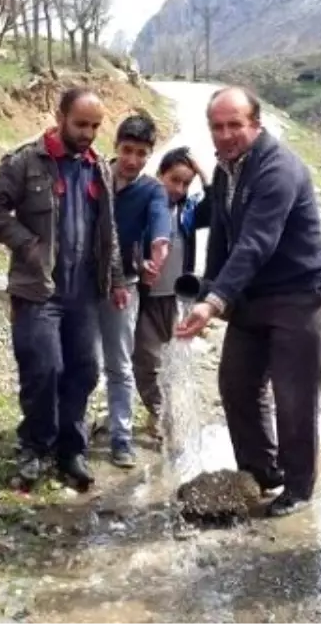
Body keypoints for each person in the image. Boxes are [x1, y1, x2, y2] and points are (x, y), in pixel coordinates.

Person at [175, 86, 321, 518]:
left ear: (256, 125)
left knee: (293, 393)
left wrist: (213, 303)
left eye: (235, 125)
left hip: (298, 291)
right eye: (217, 126)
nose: (226, 135)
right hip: (252, 293)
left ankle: (300, 487)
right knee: (237, 383)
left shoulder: (277, 169)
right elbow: (223, 238)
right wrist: (210, 288)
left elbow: (256, 243)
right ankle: (261, 471)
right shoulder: (227, 169)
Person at [0, 87, 127, 490]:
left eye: (95, 126)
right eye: (81, 124)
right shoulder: (27, 161)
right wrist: (26, 243)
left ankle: (70, 450)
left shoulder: (100, 168)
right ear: (59, 115)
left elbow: (107, 232)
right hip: (38, 290)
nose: (88, 133)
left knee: (84, 370)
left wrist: (115, 280)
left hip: (84, 293)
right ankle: (35, 448)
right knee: (43, 369)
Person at [98, 113, 171, 468]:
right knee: (78, 361)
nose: (132, 160)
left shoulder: (152, 189)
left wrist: (159, 243)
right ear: (116, 147)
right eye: (127, 150)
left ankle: (121, 438)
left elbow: (159, 218)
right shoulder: (94, 175)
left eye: (141, 153)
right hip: (82, 283)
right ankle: (69, 432)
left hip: (123, 286)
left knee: (119, 364)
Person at [133, 146, 211, 437]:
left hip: (175, 298)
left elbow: (214, 208)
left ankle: (167, 416)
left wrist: (203, 173)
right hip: (146, 297)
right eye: (174, 180)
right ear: (159, 175)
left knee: (172, 360)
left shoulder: (187, 212)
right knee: (145, 359)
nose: (179, 188)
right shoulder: (144, 207)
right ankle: (160, 412)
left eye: (185, 183)